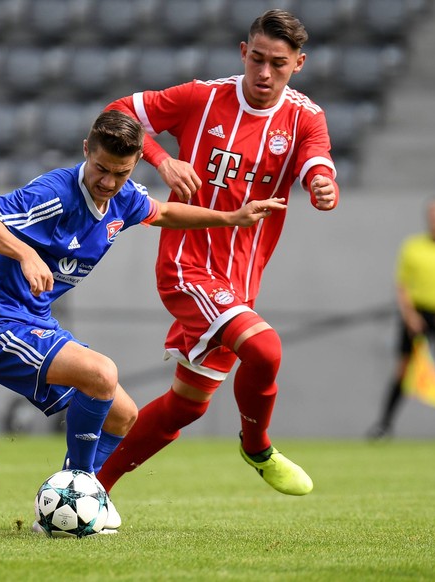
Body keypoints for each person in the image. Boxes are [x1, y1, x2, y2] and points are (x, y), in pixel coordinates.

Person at [0, 109, 286, 532]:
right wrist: (26, 253)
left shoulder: (123, 198)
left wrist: (231, 218)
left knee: (123, 415)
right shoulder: (55, 192)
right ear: (86, 150)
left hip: (36, 322)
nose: (108, 182)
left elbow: (163, 214)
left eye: (121, 173)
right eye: (101, 169)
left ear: (136, 164)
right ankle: (78, 490)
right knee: (102, 374)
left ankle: (70, 507)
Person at [95, 9, 340, 497]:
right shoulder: (201, 97)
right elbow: (117, 113)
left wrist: (322, 183)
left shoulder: (304, 116)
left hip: (239, 282)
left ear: (299, 64)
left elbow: (317, 157)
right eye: (258, 59)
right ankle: (257, 447)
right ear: (243, 52)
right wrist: (162, 160)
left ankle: (92, 487)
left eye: (279, 63)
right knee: (266, 349)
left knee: (187, 404)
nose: (265, 73)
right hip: (188, 267)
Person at [369, 198, 435, 440]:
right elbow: (402, 286)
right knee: (403, 370)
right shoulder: (412, 246)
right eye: (433, 213)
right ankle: (383, 426)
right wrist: (410, 315)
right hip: (417, 314)